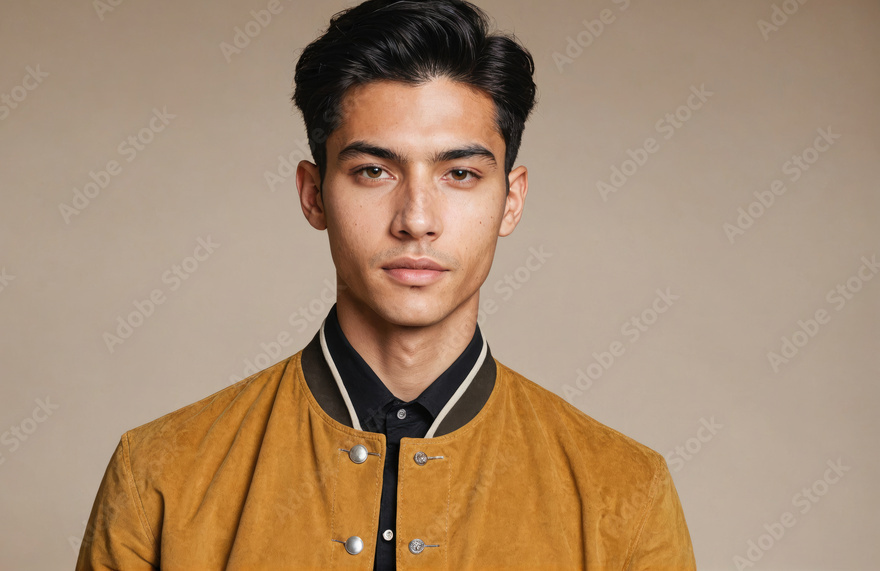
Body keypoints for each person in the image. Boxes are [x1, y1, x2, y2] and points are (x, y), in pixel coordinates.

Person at [76, 1, 696, 569]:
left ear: (511, 201)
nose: (417, 220)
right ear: (313, 194)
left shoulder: (624, 492)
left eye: (459, 173)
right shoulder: (161, 475)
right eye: (374, 170)